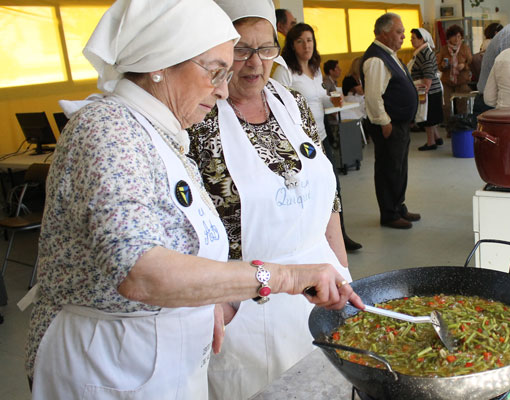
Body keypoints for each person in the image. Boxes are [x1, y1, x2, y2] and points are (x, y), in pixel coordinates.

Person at [25, 1, 362, 399]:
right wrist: (283, 276)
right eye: (216, 70)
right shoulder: (108, 130)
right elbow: (141, 271)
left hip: (162, 355)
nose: (223, 88)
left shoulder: (163, 133)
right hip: (108, 362)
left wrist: (211, 303)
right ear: (160, 63)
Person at [186, 2, 358, 398]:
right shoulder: (197, 116)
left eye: (266, 50)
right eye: (241, 50)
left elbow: (327, 194)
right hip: (245, 303)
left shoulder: (292, 102)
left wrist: (342, 268)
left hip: (322, 284)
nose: (254, 64)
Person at [273, 22, 362, 251]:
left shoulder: (315, 69)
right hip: (298, 144)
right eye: (300, 41)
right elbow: (277, 104)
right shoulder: (285, 71)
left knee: (332, 188)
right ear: (292, 45)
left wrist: (332, 100)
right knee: (307, 192)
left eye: (310, 40)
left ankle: (339, 236)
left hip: (320, 138)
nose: (306, 45)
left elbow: (319, 98)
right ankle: (314, 241)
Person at [361, 13, 420, 229]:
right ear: (384, 33)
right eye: (399, 31)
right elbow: (374, 96)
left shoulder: (389, 54)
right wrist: (384, 122)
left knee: (399, 167)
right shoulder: (377, 59)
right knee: (389, 169)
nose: (403, 36)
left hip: (399, 124)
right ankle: (389, 214)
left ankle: (398, 206)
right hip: (389, 125)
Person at [409, 27, 444, 151]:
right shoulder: (423, 52)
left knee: (427, 117)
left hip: (428, 90)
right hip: (430, 89)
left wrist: (425, 90)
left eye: (413, 38)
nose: (411, 40)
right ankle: (437, 137)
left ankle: (431, 142)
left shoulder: (424, 53)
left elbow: (428, 74)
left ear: (422, 39)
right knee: (431, 116)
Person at [437, 24, 473, 125]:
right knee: (446, 106)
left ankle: (462, 126)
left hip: (462, 81)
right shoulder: (444, 49)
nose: (457, 39)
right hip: (447, 82)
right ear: (449, 37)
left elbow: (470, 62)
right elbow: (438, 65)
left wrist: (463, 66)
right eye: (454, 36)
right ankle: (449, 127)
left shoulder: (465, 48)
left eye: (459, 36)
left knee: (462, 105)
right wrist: (443, 65)